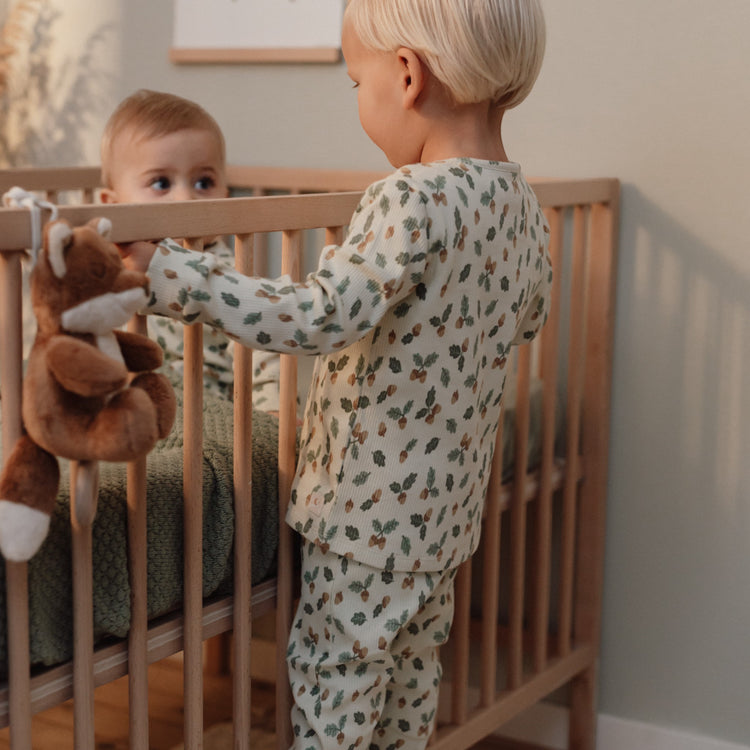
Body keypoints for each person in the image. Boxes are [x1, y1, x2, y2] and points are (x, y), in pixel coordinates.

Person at [120, 0, 551, 747]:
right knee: (410, 686)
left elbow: (318, 316)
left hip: (365, 517)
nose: (360, 99)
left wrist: (173, 275)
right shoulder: (523, 206)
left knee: (336, 690)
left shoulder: (409, 198)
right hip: (445, 521)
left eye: (357, 82)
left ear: (407, 76)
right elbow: (528, 318)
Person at [100, 88, 280, 407]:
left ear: (224, 192)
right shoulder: (105, 273)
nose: (186, 198)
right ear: (112, 205)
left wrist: (272, 408)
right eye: (161, 183)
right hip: (132, 408)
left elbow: (261, 342)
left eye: (203, 183)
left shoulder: (228, 268)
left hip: (208, 409)